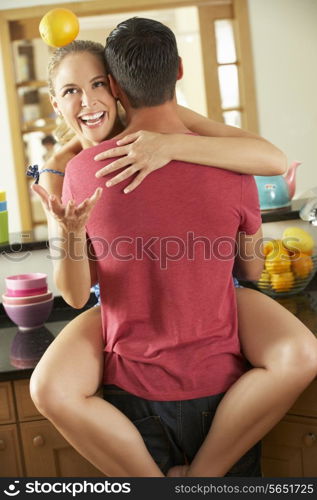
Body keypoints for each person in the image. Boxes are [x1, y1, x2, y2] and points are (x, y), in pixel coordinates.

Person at [29, 28, 317, 478]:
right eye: (70, 91)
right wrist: (65, 214)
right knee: (48, 387)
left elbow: (269, 159)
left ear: (118, 87)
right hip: (134, 309)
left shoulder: (82, 171)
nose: (87, 102)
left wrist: (169, 143)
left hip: (174, 314)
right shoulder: (71, 172)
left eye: (98, 84)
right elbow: (254, 263)